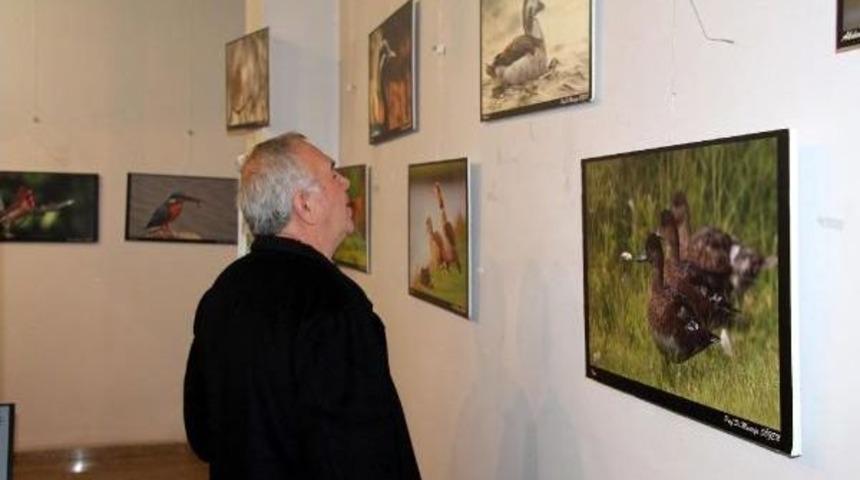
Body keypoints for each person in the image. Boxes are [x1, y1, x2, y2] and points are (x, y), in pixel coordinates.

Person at [184, 132, 421, 479]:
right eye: (333, 174)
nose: (345, 184)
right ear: (305, 205)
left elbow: (202, 433)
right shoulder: (334, 305)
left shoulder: (225, 290)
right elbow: (366, 456)